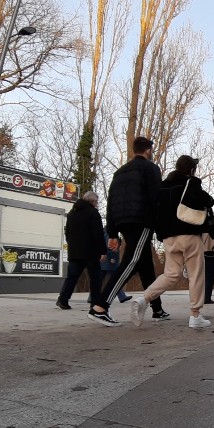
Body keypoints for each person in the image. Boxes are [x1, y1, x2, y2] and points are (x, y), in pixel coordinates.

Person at [88, 136, 166, 327]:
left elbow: (110, 202)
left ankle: (157, 308)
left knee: (145, 265)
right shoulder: (150, 168)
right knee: (130, 262)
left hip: (123, 221)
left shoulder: (119, 172)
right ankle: (100, 307)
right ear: (148, 151)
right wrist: (160, 227)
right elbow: (156, 198)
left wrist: (113, 232)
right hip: (141, 221)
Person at [130, 154, 214, 329]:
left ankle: (144, 299)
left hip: (169, 238)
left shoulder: (161, 187)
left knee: (171, 274)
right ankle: (195, 315)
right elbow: (209, 201)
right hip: (190, 235)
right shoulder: (191, 183)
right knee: (196, 274)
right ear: (191, 170)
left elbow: (155, 212)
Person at [57, 191, 105, 310]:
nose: (97, 204)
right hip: (90, 252)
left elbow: (67, 232)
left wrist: (72, 245)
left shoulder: (71, 214)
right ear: (92, 201)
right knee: (95, 278)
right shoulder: (93, 213)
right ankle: (95, 302)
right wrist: (103, 251)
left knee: (72, 277)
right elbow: (98, 234)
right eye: (96, 202)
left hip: (75, 252)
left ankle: (63, 299)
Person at [87, 231, 131, 305]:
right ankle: (122, 297)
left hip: (105, 262)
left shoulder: (105, 233)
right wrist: (113, 257)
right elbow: (109, 247)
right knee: (115, 279)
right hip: (109, 262)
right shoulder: (110, 234)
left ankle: (91, 298)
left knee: (100, 280)